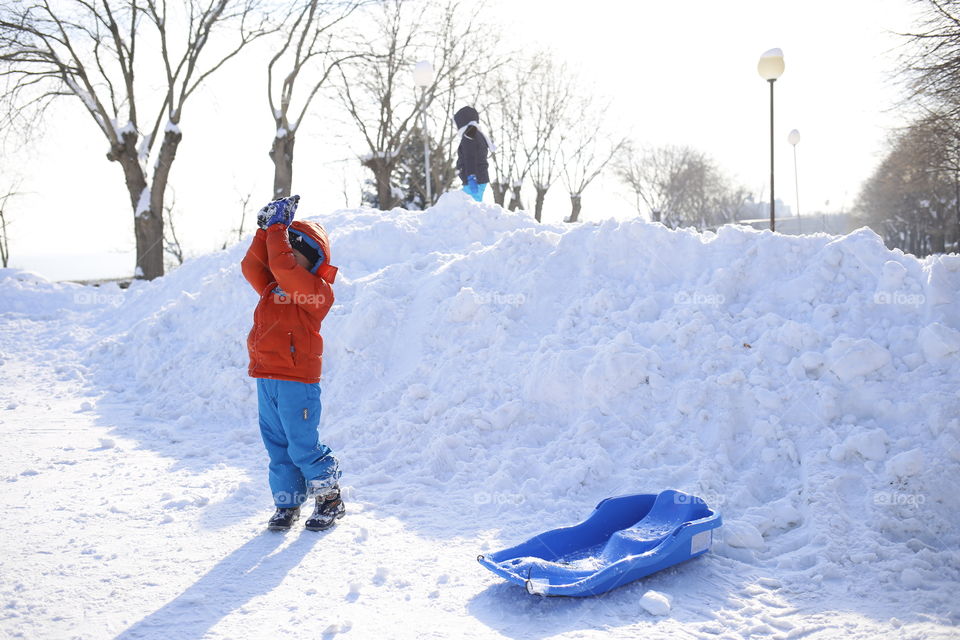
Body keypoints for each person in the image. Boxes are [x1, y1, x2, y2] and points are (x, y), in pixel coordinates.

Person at [240, 194, 345, 532]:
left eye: (290, 253)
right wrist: (264, 231)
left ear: (311, 261)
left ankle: (330, 499)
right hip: (267, 378)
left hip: (297, 381)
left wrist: (279, 229)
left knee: (301, 443)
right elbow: (252, 266)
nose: (280, 259)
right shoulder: (270, 287)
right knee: (278, 446)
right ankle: (287, 504)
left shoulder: (317, 291)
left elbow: (284, 267)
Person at [454, 106, 495, 202]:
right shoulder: (475, 132)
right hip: (478, 177)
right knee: (471, 208)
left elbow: (470, 156)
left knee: (470, 209)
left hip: (474, 180)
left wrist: (471, 176)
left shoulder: (469, 133)